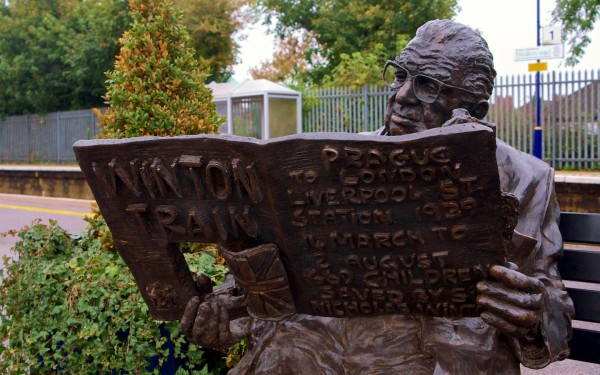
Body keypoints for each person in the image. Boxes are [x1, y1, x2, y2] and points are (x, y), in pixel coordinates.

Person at [181, 19, 574, 374]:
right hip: (318, 351)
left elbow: (555, 312)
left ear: (474, 109)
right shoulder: (331, 162)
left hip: (447, 357)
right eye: (400, 75)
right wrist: (225, 314)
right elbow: (276, 279)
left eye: (427, 86)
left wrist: (535, 313)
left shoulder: (527, 179)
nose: (402, 95)